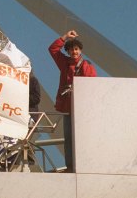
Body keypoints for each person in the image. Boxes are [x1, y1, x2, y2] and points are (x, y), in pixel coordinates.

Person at [49, 29, 96, 173]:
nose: (74, 52)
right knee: (68, 138)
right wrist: (65, 37)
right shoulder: (65, 63)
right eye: (71, 50)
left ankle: (81, 164)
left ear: (80, 50)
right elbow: (53, 49)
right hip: (67, 107)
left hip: (81, 107)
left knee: (80, 137)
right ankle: (70, 166)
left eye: (76, 49)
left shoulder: (86, 66)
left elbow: (93, 86)